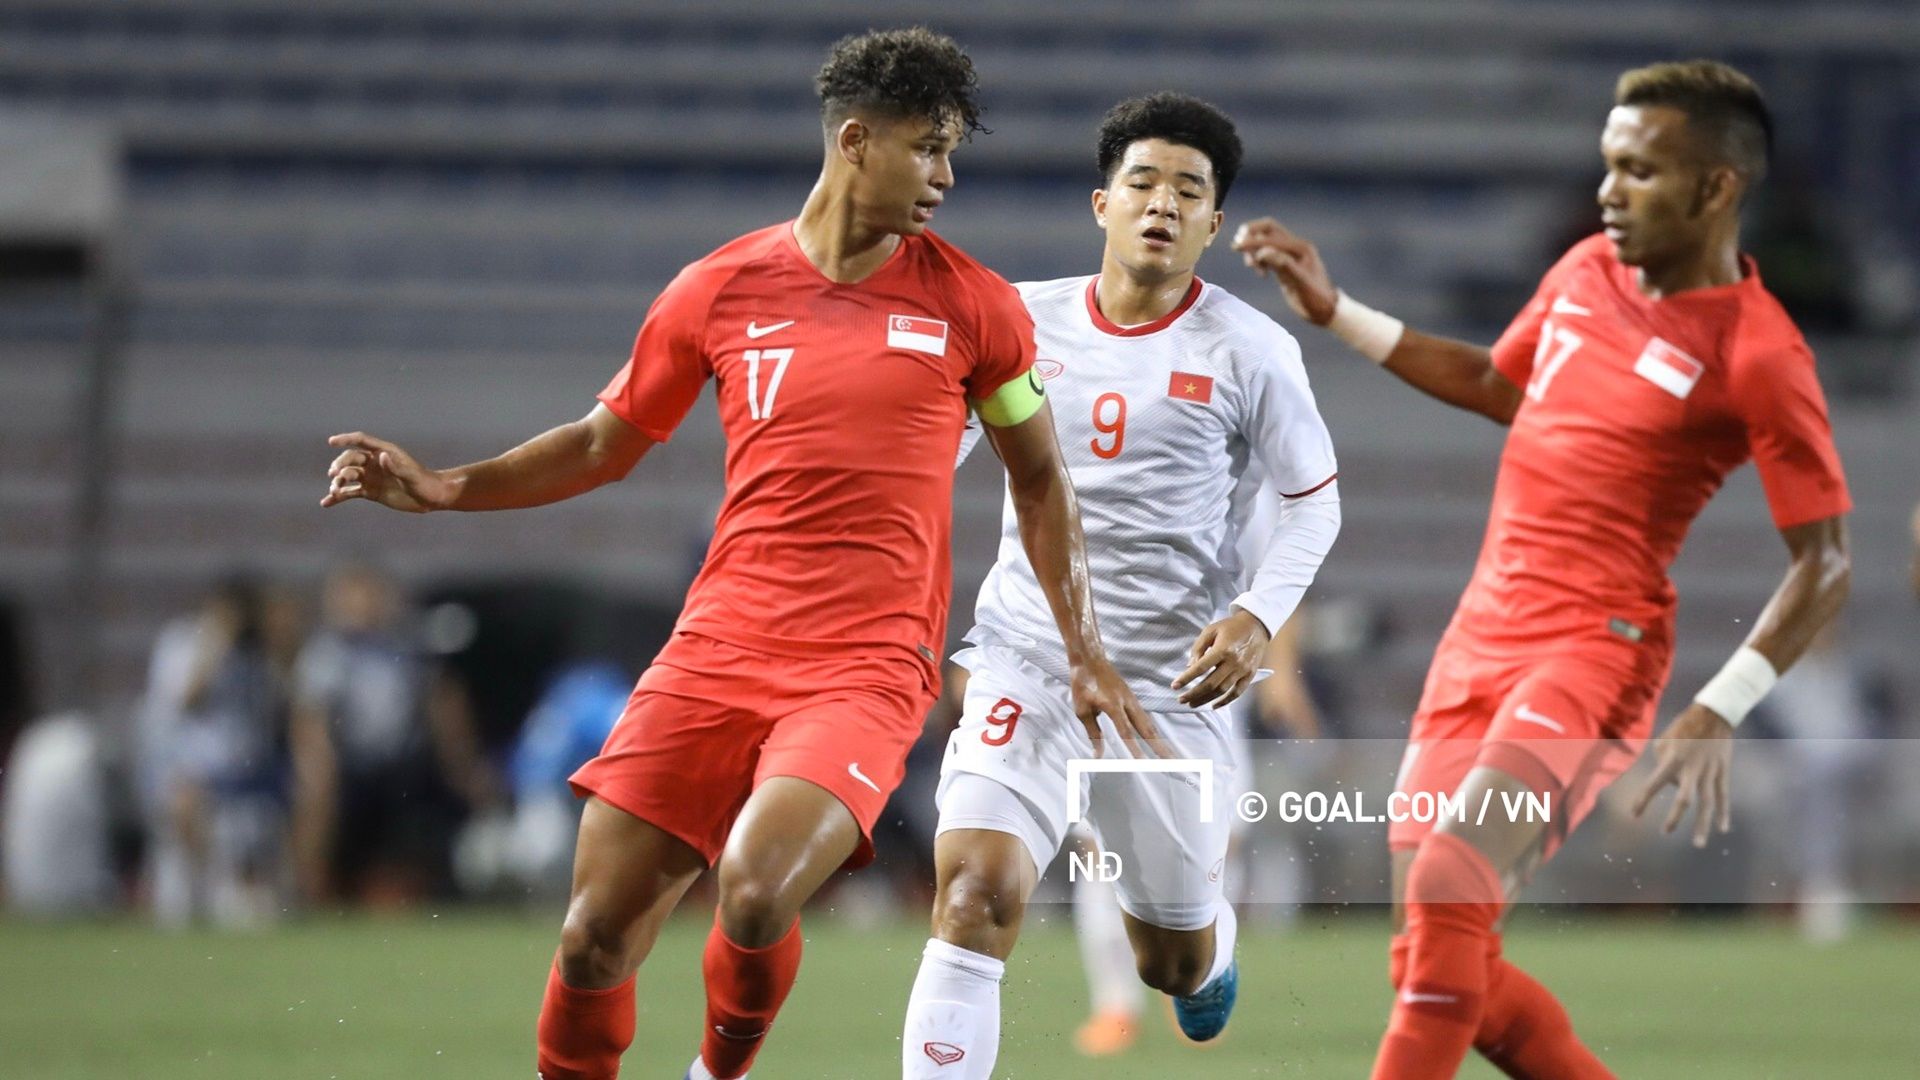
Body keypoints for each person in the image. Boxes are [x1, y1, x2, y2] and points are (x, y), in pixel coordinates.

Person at [320, 29, 1148, 1080]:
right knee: (593, 936)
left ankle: (715, 1072)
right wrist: (447, 488)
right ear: (856, 141)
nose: (945, 176)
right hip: (715, 649)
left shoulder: (973, 306)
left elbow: (1041, 480)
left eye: (951, 152)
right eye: (926, 148)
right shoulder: (719, 289)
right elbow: (601, 444)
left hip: (864, 666)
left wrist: (1082, 646)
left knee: (754, 891)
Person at [1234, 59, 1852, 1079]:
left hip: (1592, 654)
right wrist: (1338, 312)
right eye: (1609, 165)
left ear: (1716, 188)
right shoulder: (1585, 271)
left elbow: (1825, 562)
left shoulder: (1760, 353)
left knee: (1450, 886)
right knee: (1435, 961)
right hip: (1480, 637)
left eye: (1640, 171)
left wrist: (1719, 707)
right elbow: (1495, 380)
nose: (1609, 191)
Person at [902, 93, 1340, 1078]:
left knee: (1168, 961)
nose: (1163, 203)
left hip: (1171, 690)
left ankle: (1208, 952)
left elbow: (1315, 506)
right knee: (973, 893)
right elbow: (933, 465)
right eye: (1143, 182)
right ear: (1102, 204)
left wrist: (1257, 618)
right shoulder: (1020, 319)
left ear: (1214, 224)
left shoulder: (1251, 350)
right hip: (1030, 661)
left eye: (1189, 190)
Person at [289, 562, 492, 906]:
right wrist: (318, 775)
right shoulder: (326, 655)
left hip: (403, 765)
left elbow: (442, 702)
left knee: (437, 807)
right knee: (318, 802)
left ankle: (429, 894)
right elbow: (310, 720)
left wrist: (464, 766)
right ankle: (311, 895)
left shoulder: (406, 647)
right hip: (350, 767)